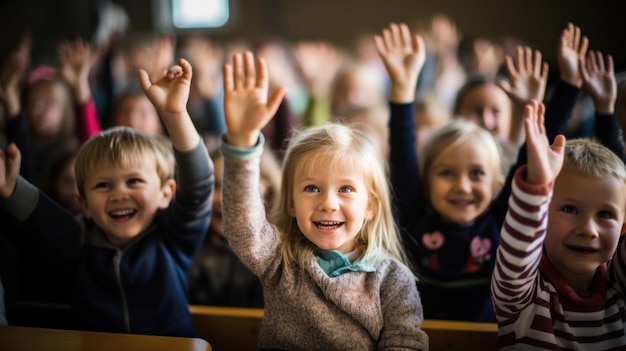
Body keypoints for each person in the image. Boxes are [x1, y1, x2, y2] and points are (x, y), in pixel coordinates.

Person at [220, 51, 428, 350]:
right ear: (290, 203)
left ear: (370, 205)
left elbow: (406, 343)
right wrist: (242, 144)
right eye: (312, 189)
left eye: (345, 189)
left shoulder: (392, 279)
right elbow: (243, 227)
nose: (328, 203)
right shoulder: (279, 260)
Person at [376, 22, 581, 322]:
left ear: (499, 183)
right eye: (446, 174)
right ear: (425, 181)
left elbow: (533, 149)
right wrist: (403, 88)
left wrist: (569, 83)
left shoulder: (502, 218)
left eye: (476, 174)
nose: (463, 186)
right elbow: (403, 151)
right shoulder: (414, 214)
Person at [0, 58, 214, 337]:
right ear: (85, 204)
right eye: (103, 185)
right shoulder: (78, 240)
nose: (119, 194)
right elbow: (43, 216)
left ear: (166, 193)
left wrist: (174, 114)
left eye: (134, 181)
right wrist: (11, 189)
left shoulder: (172, 237)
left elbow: (198, 186)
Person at [492, 99, 626, 349]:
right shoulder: (523, 294)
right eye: (570, 209)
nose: (588, 229)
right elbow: (519, 246)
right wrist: (536, 185)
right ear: (542, 216)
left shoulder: (619, 284)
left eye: (606, 214)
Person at [188, 144, 281, 308]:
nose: (224, 199)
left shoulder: (280, 253)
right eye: (213, 185)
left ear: (269, 195)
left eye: (237, 187)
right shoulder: (191, 247)